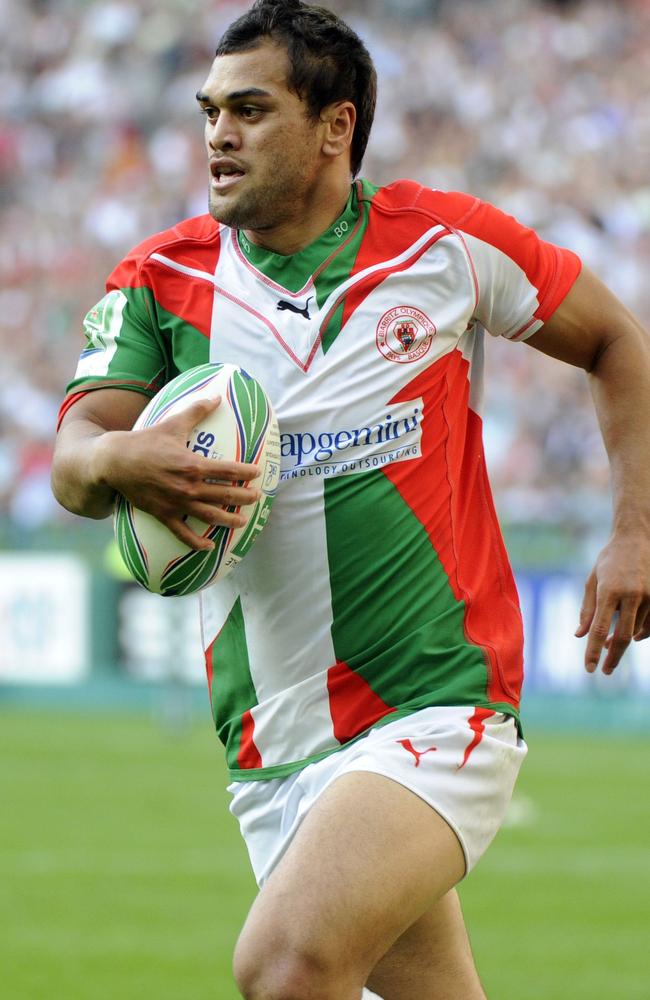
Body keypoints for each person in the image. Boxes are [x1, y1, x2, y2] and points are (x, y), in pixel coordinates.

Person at [51, 1, 650, 997]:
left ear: (336, 126)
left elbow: (616, 341)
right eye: (208, 112)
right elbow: (73, 458)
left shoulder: (444, 246)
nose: (216, 135)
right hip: (272, 745)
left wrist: (633, 533)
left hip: (435, 707)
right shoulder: (159, 281)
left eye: (249, 109)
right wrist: (122, 462)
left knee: (285, 965)